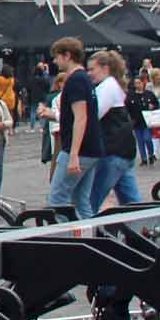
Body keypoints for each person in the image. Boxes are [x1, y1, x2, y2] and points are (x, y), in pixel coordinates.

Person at [41, 36, 101, 217]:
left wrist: (73, 155)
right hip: (92, 148)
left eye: (56, 56)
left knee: (57, 201)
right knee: (80, 200)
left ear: (67, 56)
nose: (54, 61)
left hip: (78, 150)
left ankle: (66, 241)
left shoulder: (75, 80)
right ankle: (93, 236)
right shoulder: (86, 79)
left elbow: (80, 117)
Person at [85, 51, 142, 211]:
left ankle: (85, 232)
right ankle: (145, 227)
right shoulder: (113, 85)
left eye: (91, 69)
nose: (89, 74)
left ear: (105, 68)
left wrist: (57, 115)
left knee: (90, 201)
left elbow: (92, 115)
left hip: (112, 150)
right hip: (124, 150)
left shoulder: (107, 87)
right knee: (133, 203)